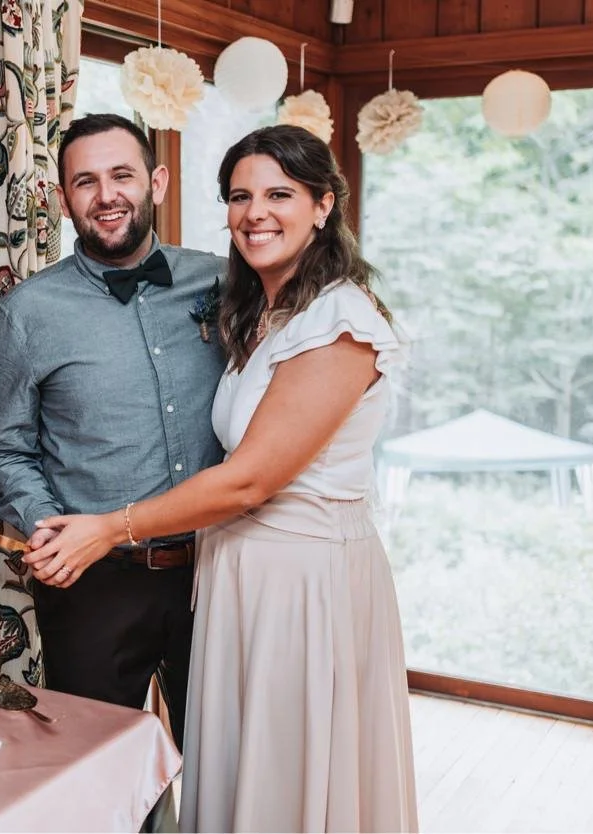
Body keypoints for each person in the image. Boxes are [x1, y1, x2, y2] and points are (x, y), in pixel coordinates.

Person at [23, 124, 418, 832]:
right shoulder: (257, 309)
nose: (255, 213)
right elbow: (11, 445)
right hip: (223, 577)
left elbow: (248, 481)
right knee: (222, 775)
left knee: (292, 776)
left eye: (279, 194)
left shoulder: (339, 321)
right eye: (240, 196)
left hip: (302, 587)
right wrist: (52, 527)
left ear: (324, 205)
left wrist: (110, 526)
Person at [0, 113, 225, 738]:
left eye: (123, 175)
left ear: (158, 182)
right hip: (96, 585)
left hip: (223, 571)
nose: (106, 195)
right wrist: (50, 530)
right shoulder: (27, 312)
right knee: (96, 767)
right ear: (64, 201)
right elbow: (6, 449)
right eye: (85, 182)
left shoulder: (225, 283)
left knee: (227, 760)